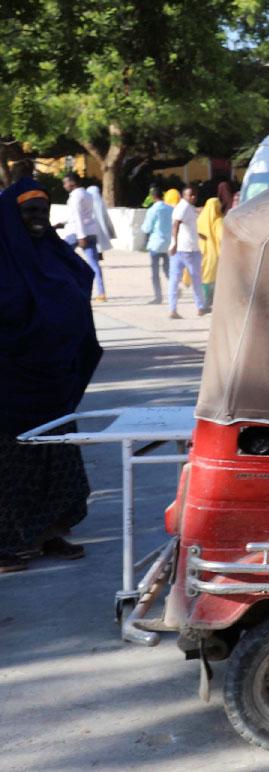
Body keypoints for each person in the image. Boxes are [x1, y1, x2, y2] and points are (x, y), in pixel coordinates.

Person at [0, 178, 102, 572]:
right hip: (9, 384)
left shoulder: (54, 254)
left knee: (54, 456)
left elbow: (78, 283)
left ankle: (49, 532)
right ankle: (7, 541)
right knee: (12, 463)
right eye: (29, 212)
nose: (38, 219)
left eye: (43, 210)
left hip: (53, 380)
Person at [61, 172, 106, 301]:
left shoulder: (75, 196)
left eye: (65, 183)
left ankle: (66, 289)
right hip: (91, 231)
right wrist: (63, 223)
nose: (64, 185)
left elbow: (78, 217)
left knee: (60, 257)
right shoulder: (87, 194)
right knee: (94, 264)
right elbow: (84, 215)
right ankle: (101, 292)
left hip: (77, 232)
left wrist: (81, 236)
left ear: (72, 183)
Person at [168, 186, 207, 319]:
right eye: (190, 195)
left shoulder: (187, 207)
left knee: (175, 280)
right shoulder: (183, 207)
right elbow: (176, 225)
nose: (193, 197)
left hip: (185, 248)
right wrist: (174, 243)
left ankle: (173, 309)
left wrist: (199, 235)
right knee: (195, 279)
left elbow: (187, 227)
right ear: (184, 196)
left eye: (195, 195)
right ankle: (200, 307)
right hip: (187, 250)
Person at [141, 186, 173, 304]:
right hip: (168, 243)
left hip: (155, 243)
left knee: (155, 272)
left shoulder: (153, 210)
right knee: (168, 269)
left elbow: (146, 228)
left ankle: (158, 296)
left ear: (153, 197)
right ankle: (174, 290)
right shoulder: (170, 209)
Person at [197, 197, 224, 309]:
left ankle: (202, 300)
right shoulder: (218, 220)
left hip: (200, 250)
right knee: (211, 276)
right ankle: (207, 301)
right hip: (213, 251)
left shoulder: (200, 218)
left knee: (203, 275)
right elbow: (222, 236)